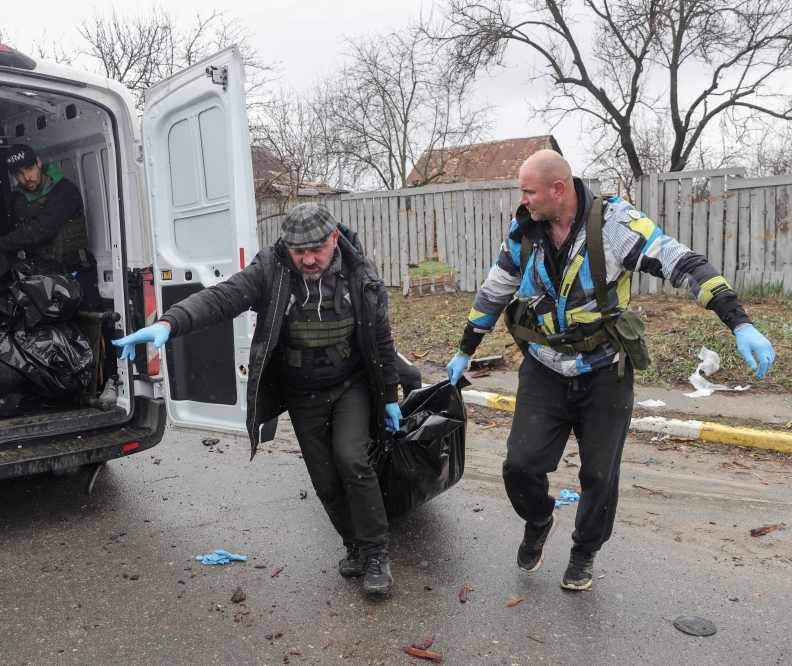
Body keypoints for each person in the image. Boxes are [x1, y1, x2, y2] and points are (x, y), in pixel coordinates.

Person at [446, 150, 775, 591]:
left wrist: (740, 322)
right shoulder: (524, 230)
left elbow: (684, 264)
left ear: (557, 189)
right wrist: (466, 349)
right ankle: (540, 518)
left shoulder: (616, 225)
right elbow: (496, 289)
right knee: (519, 466)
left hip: (604, 371)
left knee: (600, 475)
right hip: (544, 369)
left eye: (528, 191)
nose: (521, 199)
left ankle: (584, 552)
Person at [113, 203, 402, 594]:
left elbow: (379, 335)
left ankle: (376, 554)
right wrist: (170, 322)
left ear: (334, 238)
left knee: (352, 459)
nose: (308, 259)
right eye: (300, 251)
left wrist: (388, 394)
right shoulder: (272, 268)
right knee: (325, 479)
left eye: (316, 249)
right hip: (301, 390)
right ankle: (354, 546)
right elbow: (221, 298)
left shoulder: (360, 273)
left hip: (350, 383)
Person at [0, 143, 118, 407]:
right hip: (44, 276)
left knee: (95, 323)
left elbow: (41, 230)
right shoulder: (17, 199)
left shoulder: (65, 191)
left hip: (76, 272)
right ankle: (64, 388)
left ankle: (111, 381)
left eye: (29, 168)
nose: (26, 177)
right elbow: (19, 235)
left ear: (38, 163)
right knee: (50, 331)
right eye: (18, 173)